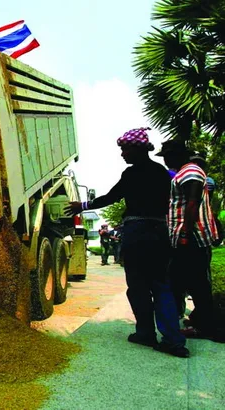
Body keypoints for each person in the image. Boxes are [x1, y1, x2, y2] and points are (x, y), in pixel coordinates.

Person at [66, 127, 189, 358]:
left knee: (138, 286)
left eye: (125, 149)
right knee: (161, 285)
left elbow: (111, 197)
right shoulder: (163, 173)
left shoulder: (131, 174)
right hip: (160, 232)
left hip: (137, 233)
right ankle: (174, 341)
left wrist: (82, 206)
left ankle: (145, 333)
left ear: (139, 149)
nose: (122, 154)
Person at [156, 140, 221, 341]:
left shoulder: (190, 171)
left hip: (191, 238)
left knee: (195, 284)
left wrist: (184, 233)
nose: (166, 160)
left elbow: (192, 203)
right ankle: (200, 322)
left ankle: (206, 327)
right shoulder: (184, 172)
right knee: (189, 282)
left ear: (178, 155)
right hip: (186, 237)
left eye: (168, 156)